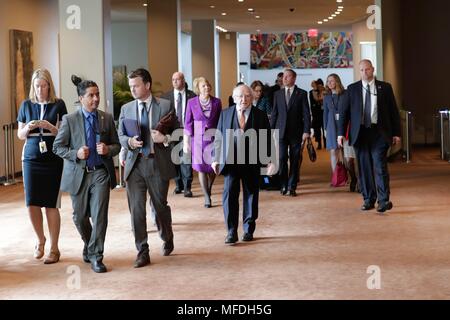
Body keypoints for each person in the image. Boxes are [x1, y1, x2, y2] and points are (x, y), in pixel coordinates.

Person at [53, 80, 120, 273]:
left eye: (97, 94)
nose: (96, 98)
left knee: (99, 216)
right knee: (79, 216)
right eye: (91, 95)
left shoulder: (106, 118)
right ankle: (90, 244)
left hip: (100, 173)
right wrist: (76, 154)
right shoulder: (69, 120)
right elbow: (57, 147)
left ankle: (97, 256)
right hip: (78, 174)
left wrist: (108, 149)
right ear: (81, 98)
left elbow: (117, 145)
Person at [118, 68, 177, 268]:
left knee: (159, 207)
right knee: (136, 209)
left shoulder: (166, 106)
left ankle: (167, 235)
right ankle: (142, 251)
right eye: (131, 86)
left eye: (136, 85)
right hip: (135, 165)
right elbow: (120, 135)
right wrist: (128, 142)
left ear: (147, 85)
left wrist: (165, 138)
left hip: (156, 162)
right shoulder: (126, 109)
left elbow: (178, 134)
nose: (132, 89)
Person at [211, 84, 274, 244]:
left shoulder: (260, 115)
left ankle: (248, 228)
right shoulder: (225, 114)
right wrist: (215, 158)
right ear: (234, 98)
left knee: (251, 195)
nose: (243, 99)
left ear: (252, 98)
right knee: (229, 196)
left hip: (252, 161)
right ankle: (231, 231)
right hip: (231, 162)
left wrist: (270, 160)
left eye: (247, 96)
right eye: (240, 96)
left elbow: (267, 139)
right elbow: (218, 138)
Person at [17, 68, 67, 264]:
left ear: (49, 86)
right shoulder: (26, 104)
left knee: (50, 204)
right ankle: (40, 240)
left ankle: (54, 248)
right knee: (31, 202)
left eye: (43, 86)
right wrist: (29, 127)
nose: (40, 89)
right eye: (37, 86)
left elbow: (64, 134)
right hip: (30, 158)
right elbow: (20, 135)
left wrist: (50, 127)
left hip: (52, 159)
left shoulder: (59, 104)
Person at [338, 59, 401, 213]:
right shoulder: (352, 89)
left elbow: (393, 111)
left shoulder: (385, 88)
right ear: (359, 72)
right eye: (361, 70)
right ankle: (368, 199)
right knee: (364, 168)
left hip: (379, 133)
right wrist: (340, 133)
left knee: (380, 166)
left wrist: (397, 133)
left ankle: (384, 200)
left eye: (367, 69)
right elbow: (344, 113)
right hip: (360, 134)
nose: (364, 72)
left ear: (372, 69)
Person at [270, 69, 311, 197]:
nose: (285, 78)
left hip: (296, 132)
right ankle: (283, 184)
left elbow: (306, 114)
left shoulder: (302, 94)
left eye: (288, 76)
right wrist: (271, 130)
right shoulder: (278, 94)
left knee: (295, 159)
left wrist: (306, 131)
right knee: (282, 159)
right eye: (284, 77)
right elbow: (275, 113)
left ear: (294, 78)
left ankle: (292, 187)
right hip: (281, 132)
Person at [184, 77, 222, 208]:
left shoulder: (217, 102)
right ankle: (207, 196)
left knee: (212, 168)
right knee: (201, 169)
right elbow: (188, 123)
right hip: (198, 139)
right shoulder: (191, 102)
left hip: (213, 137)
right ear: (198, 89)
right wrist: (186, 142)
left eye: (207, 85)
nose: (207, 88)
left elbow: (219, 121)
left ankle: (209, 188)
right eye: (203, 86)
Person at [161, 72, 196, 197]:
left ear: (183, 80)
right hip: (172, 132)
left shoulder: (192, 96)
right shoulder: (166, 97)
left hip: (186, 130)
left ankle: (187, 187)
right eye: (173, 79)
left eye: (178, 79)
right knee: (174, 158)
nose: (175, 81)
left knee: (186, 159)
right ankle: (178, 185)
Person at [310, 78, 325, 149]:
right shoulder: (312, 92)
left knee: (324, 129)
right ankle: (319, 143)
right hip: (316, 114)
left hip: (324, 113)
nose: (319, 86)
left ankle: (325, 143)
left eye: (321, 85)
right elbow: (312, 104)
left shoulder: (325, 91)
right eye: (318, 85)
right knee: (317, 130)